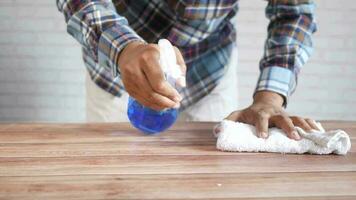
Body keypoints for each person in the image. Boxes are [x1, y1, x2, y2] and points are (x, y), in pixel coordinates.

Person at [57, 0, 319, 140]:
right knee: (111, 177)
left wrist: (269, 98)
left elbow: (294, 14)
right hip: (116, 72)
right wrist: (123, 48)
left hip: (209, 71)